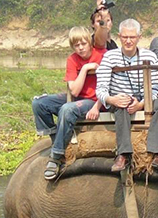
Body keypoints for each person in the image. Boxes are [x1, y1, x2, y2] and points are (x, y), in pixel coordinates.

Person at [95, 19, 158, 172]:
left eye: (132, 37)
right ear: (119, 36)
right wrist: (112, 99)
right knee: (122, 102)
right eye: (125, 37)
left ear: (139, 37)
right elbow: (101, 89)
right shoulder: (110, 57)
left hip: (143, 99)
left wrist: (142, 104)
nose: (128, 41)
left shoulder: (149, 56)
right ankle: (123, 154)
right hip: (119, 98)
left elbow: (156, 88)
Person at [32, 26, 104, 180]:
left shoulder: (102, 55)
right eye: (76, 45)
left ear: (90, 43)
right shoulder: (72, 59)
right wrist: (84, 69)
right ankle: (56, 140)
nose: (80, 48)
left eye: (83, 44)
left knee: (67, 109)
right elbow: (75, 90)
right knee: (39, 103)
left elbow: (111, 85)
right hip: (77, 98)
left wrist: (98, 105)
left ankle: (56, 157)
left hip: (94, 100)